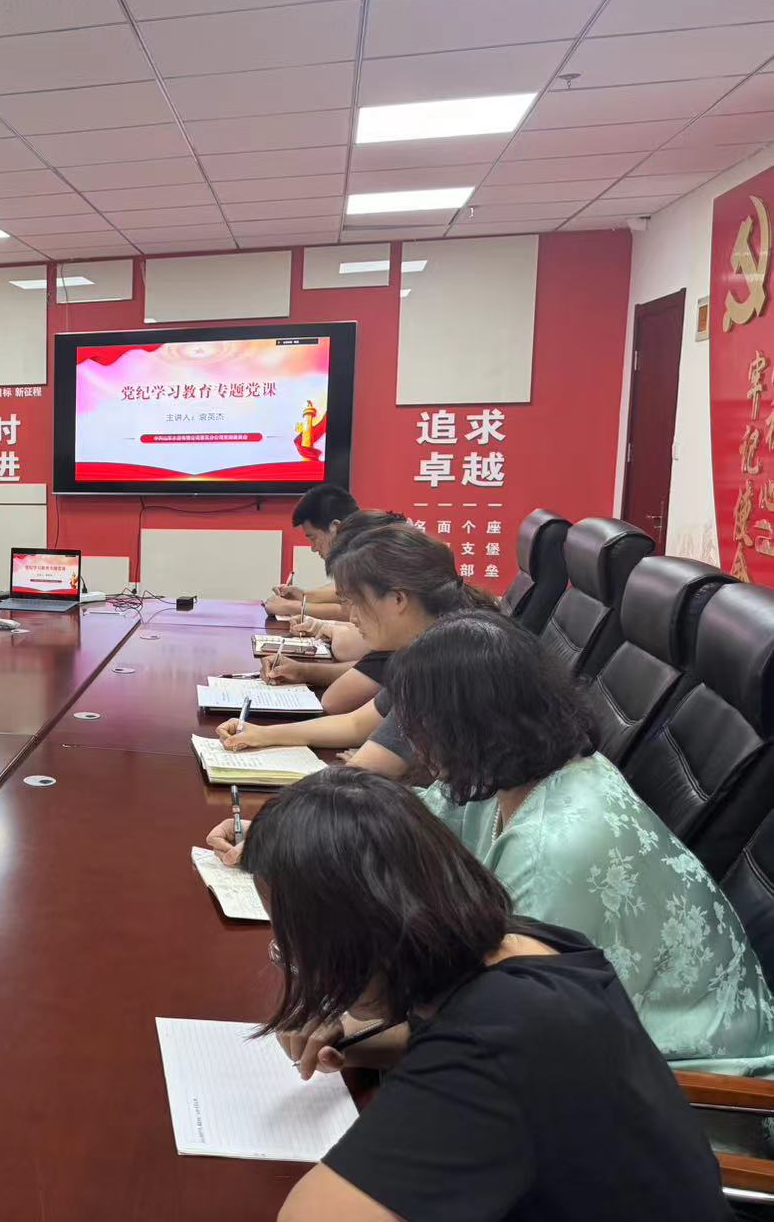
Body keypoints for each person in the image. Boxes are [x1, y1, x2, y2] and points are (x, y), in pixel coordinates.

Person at [242, 767, 730, 1222]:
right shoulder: (523, 945)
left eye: (294, 946)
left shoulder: (499, 1039)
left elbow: (311, 1215)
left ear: (353, 939)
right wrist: (360, 1044)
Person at [385, 609, 774, 1078]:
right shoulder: (521, 769)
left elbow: (507, 1024)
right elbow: (421, 820)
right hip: (598, 1047)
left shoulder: (552, 850)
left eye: (420, 726)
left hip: (692, 1086)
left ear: (468, 728)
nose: (414, 743)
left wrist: (365, 1031)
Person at [211, 524, 496, 802]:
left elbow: (364, 772)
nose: (352, 618)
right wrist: (262, 734)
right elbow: (357, 723)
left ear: (398, 599)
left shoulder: (446, 663)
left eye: (358, 603)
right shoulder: (436, 644)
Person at [263, 510, 407, 714]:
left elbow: (338, 701)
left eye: (355, 601)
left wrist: (305, 614)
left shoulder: (420, 652)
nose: (351, 616)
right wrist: (303, 668)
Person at [265, 484, 357, 620]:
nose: (313, 548)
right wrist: (304, 595)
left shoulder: (371, 552)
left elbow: (355, 611)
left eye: (313, 538)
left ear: (336, 527)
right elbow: (347, 590)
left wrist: (291, 607)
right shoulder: (358, 544)